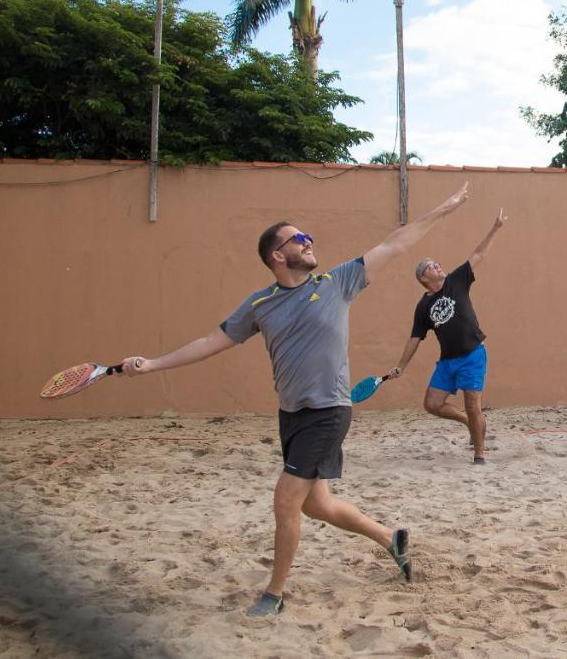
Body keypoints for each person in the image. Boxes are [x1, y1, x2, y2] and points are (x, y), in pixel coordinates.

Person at [119, 182, 471, 617]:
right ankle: (389, 538)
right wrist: (153, 364)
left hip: (329, 411)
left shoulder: (338, 281)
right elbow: (212, 340)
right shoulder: (260, 304)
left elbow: (394, 243)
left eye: (308, 237)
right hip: (291, 415)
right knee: (317, 504)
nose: (309, 242)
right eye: (298, 239)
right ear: (277, 256)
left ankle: (275, 593)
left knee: (286, 500)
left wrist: (444, 209)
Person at [387, 208, 506, 465]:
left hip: (473, 354)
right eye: (432, 266)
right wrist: (400, 366)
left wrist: (495, 228)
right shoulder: (423, 306)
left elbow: (478, 253)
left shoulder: (457, 280)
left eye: (437, 263)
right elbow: (415, 339)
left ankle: (479, 454)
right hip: (448, 361)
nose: (438, 265)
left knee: (474, 405)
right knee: (432, 403)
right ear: (423, 277)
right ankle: (467, 421)